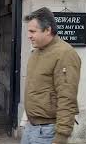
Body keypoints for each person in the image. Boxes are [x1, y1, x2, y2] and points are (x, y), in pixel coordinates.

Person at [21, 7, 81, 144]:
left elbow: (67, 98)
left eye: (32, 31)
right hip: (30, 128)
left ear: (47, 30)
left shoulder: (65, 54)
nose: (29, 36)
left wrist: (61, 136)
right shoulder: (36, 52)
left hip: (48, 133)